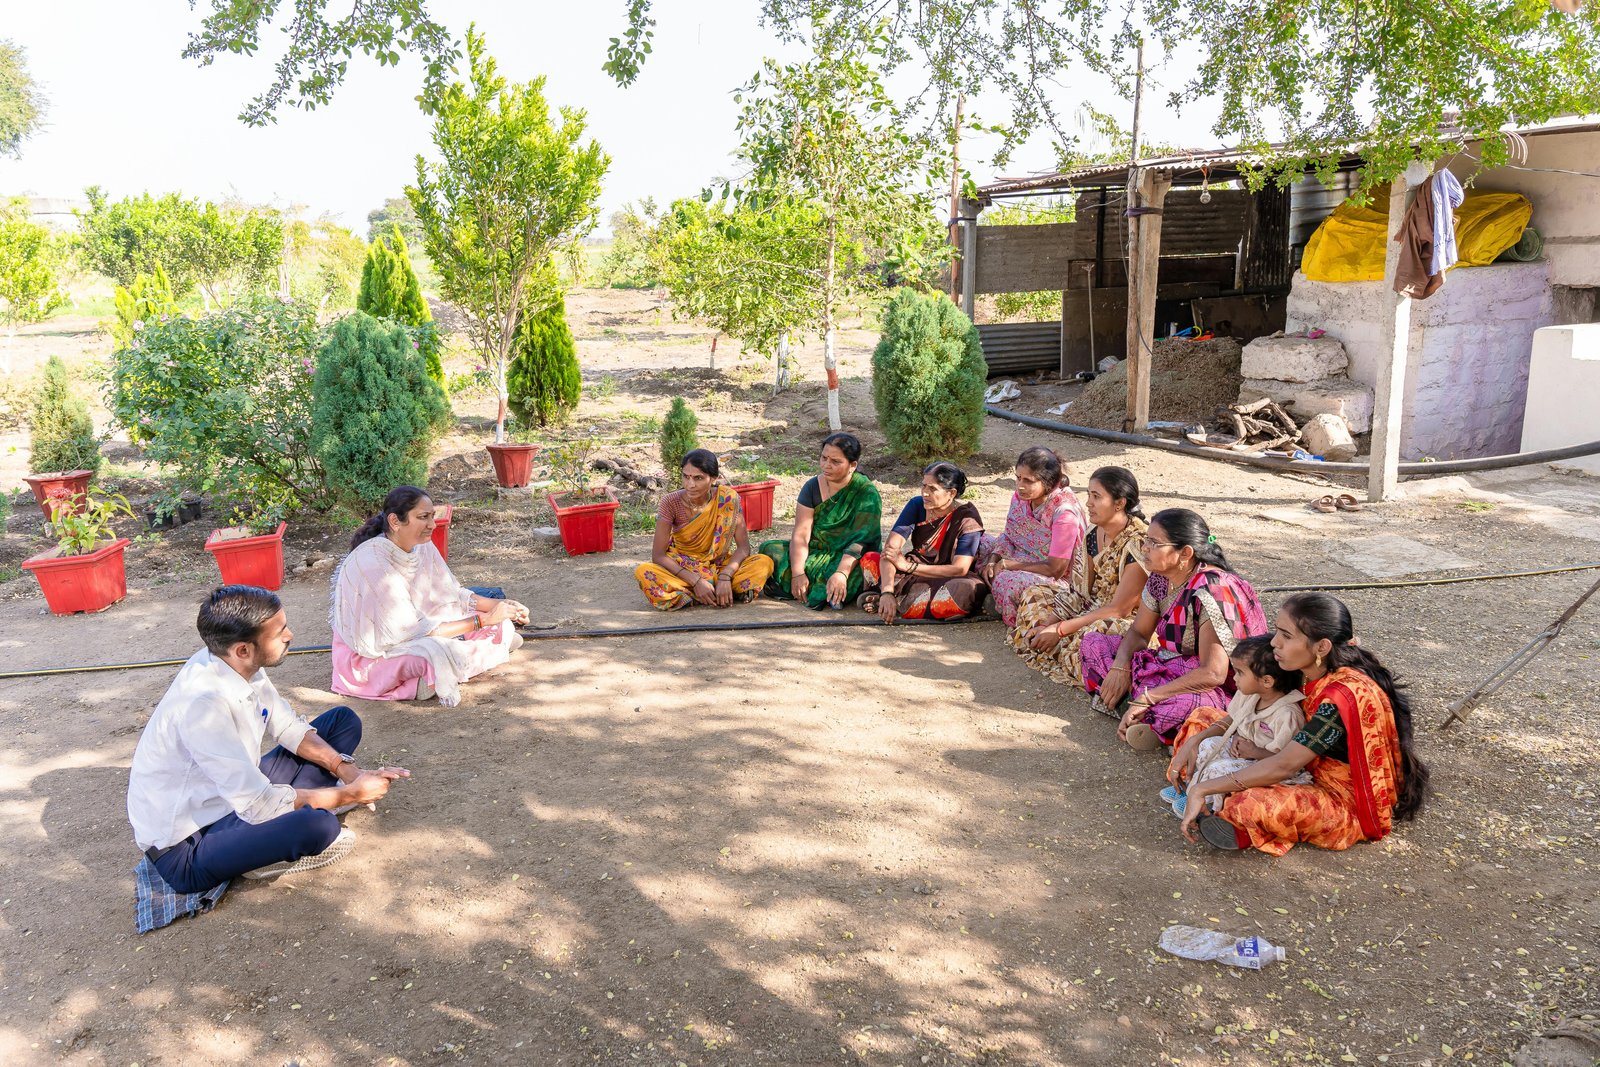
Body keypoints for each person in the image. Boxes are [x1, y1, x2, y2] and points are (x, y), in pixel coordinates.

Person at [128, 586, 410, 894]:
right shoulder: (203, 706)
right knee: (319, 827)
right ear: (243, 649)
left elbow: (286, 726)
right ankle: (268, 850)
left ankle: (304, 811)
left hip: (232, 799)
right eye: (279, 633)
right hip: (188, 848)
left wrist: (348, 772)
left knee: (342, 722)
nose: (289, 635)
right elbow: (258, 804)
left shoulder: (236, 662)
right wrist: (351, 795)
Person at [1169, 592, 1432, 854]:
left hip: (1333, 792)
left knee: (1251, 804)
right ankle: (1209, 795)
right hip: (1274, 746)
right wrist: (1194, 741)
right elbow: (1248, 713)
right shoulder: (1302, 668)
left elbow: (1285, 765)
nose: (1274, 643)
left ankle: (1219, 806)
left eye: (1286, 635)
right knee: (1201, 719)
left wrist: (1204, 787)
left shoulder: (1341, 697)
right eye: (1277, 632)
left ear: (1321, 647)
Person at [1080, 508, 1269, 751]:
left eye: (1154, 543)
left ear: (1185, 553)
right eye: (1146, 539)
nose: (1145, 547)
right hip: (1166, 667)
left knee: (1185, 705)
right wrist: (1120, 666)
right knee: (1094, 643)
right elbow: (1138, 633)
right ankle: (1146, 718)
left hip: (1212, 685)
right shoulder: (1160, 579)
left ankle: (1138, 709)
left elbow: (1213, 674)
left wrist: (1149, 697)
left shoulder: (1211, 590)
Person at [331, 486, 528, 707]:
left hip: (424, 628)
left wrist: (502, 606)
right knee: (433, 653)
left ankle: (443, 672)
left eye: (432, 516)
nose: (432, 525)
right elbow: (407, 633)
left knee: (500, 626)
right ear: (395, 521)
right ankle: (428, 678)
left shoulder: (421, 546)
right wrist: (483, 620)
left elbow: (454, 595)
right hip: (376, 655)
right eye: (423, 517)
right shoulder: (372, 564)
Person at [1009, 465, 1149, 684]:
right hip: (1090, 608)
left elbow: (1119, 610)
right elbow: (1080, 593)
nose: (1088, 503)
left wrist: (1061, 629)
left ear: (1120, 503)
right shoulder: (1094, 534)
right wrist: (1047, 625)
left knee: (1094, 636)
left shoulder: (1138, 544)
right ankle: (1050, 642)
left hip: (1119, 621)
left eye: (1096, 497)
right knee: (1035, 594)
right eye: (1088, 495)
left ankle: (1071, 653)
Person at [1160, 635, 1308, 817]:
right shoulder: (1250, 693)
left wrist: (1254, 752)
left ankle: (1206, 804)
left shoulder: (1287, 715)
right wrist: (1207, 739)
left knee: (1218, 769)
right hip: (1245, 752)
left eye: (1240, 672)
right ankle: (1193, 788)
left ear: (1267, 681)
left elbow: (1286, 762)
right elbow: (1234, 719)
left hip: (1268, 765)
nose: (1235, 678)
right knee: (1208, 745)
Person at [635, 448, 775, 610]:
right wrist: (695, 581)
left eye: (698, 478)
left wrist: (725, 576)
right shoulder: (670, 502)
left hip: (720, 565)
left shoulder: (728, 499)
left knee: (763, 562)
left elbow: (743, 548)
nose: (690, 485)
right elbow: (658, 556)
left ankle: (705, 592)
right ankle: (719, 591)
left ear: (713, 479)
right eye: (686, 477)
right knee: (644, 572)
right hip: (683, 566)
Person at [758, 433, 883, 610]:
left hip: (849, 557)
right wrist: (797, 573)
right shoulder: (812, 487)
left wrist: (841, 573)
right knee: (769, 549)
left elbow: (861, 542)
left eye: (835, 462)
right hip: (815, 552)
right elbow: (801, 535)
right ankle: (825, 591)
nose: (826, 465)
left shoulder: (866, 493)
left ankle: (832, 587)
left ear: (852, 465)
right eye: (824, 458)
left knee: (867, 567)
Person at [858, 461, 987, 623]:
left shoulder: (967, 517)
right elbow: (891, 550)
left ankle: (895, 603)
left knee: (967, 589)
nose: (925, 493)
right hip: (910, 575)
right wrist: (888, 591)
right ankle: (890, 599)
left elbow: (959, 569)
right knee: (871, 559)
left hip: (947, 577)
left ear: (952, 493)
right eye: (923, 486)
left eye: (932, 489)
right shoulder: (917, 505)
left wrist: (908, 566)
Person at [975, 447, 1087, 626]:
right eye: (1018, 478)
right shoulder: (1020, 498)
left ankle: (1002, 601)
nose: (1020, 485)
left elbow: (1056, 569)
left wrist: (1007, 565)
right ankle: (993, 589)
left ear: (1048, 482)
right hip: (1022, 555)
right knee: (979, 544)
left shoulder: (1064, 513)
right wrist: (993, 560)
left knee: (1009, 581)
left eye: (1028, 480)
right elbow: (1010, 535)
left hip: (1056, 577)